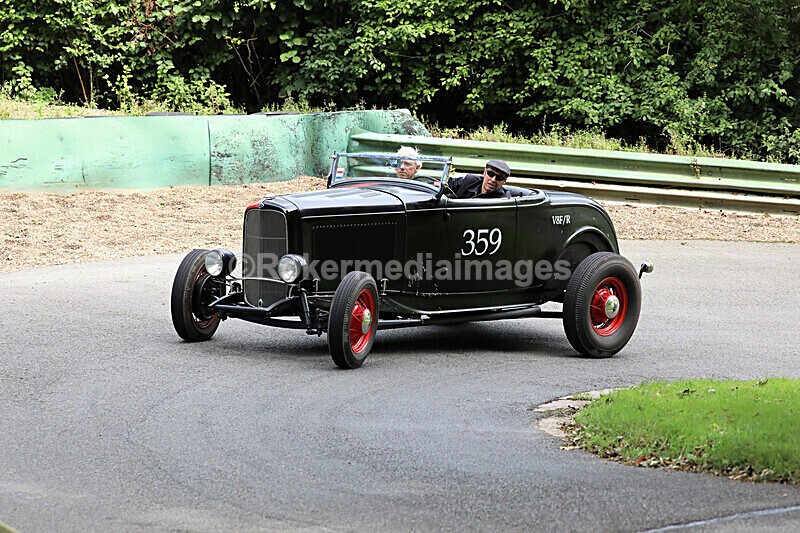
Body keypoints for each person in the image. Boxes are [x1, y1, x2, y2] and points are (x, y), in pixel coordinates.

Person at [447, 159, 512, 199]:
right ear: (484, 172)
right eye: (490, 174)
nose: (493, 180)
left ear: (504, 181)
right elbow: (446, 184)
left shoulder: (503, 201)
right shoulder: (470, 180)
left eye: (499, 178)